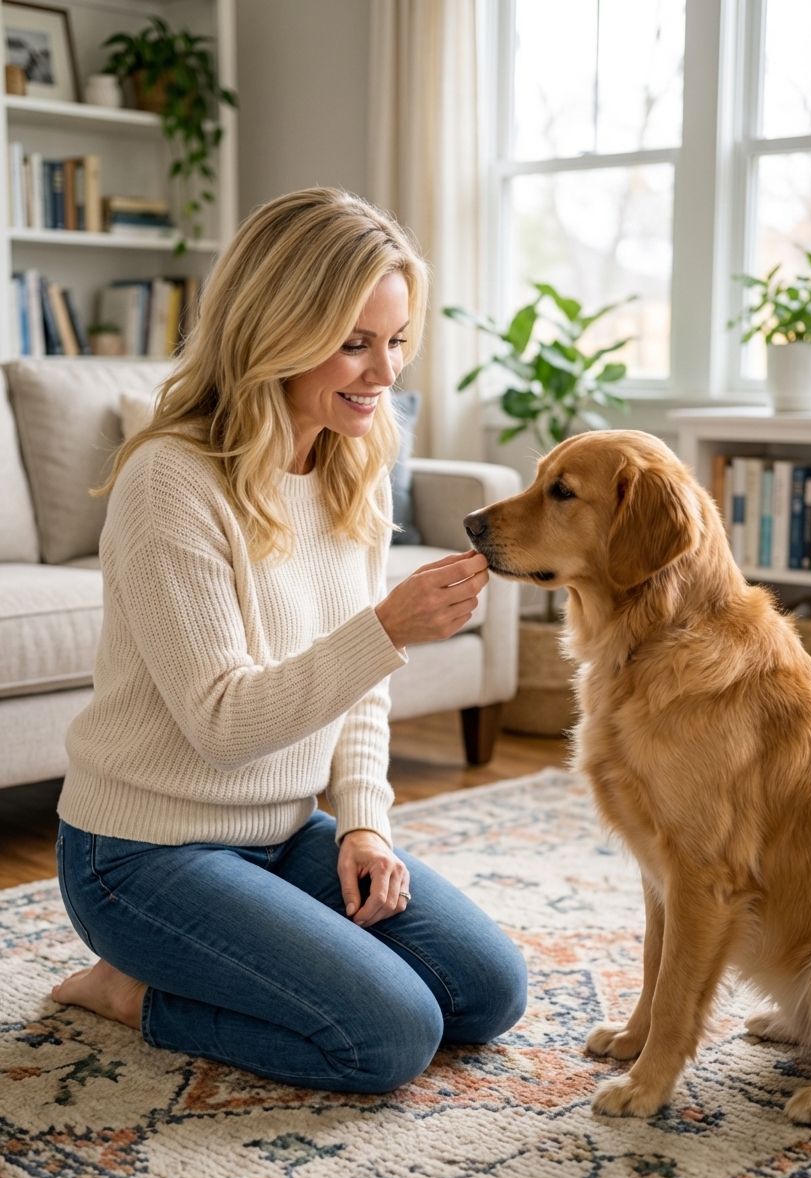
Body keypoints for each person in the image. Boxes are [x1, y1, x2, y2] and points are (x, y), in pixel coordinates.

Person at [52, 188, 528, 1093]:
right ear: (273, 327)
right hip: (142, 852)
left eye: (395, 341)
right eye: (354, 341)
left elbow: (362, 689)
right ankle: (128, 992)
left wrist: (362, 824)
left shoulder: (356, 459)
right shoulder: (170, 481)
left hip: (279, 830)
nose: (383, 372)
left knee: (488, 993)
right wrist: (386, 626)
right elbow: (223, 726)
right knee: (390, 1037)